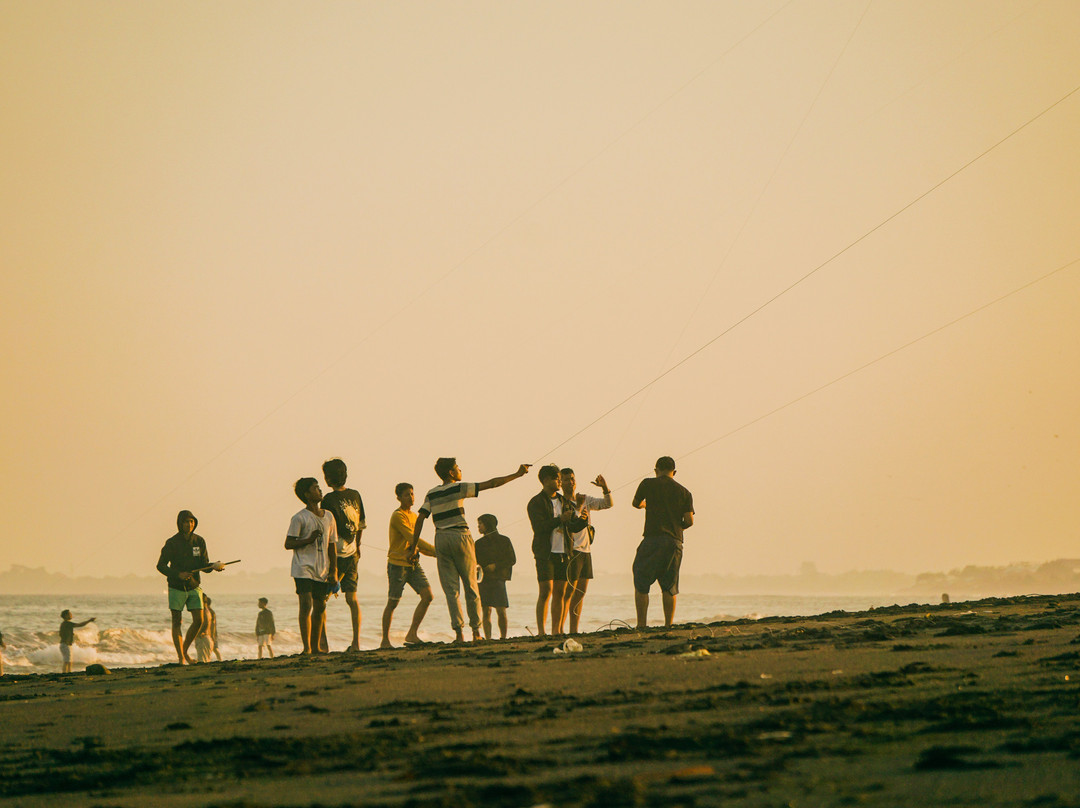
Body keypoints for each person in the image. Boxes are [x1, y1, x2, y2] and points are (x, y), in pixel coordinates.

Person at [410, 458, 530, 643]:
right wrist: (517, 474)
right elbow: (492, 484)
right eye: (457, 468)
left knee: (451, 590)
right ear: (451, 473)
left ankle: (458, 634)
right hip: (460, 536)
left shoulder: (431, 493)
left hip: (441, 537)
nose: (460, 470)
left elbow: (420, 519)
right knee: (471, 586)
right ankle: (476, 632)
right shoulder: (459, 488)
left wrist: (413, 546)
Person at [631, 456, 694, 628]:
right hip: (674, 541)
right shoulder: (685, 492)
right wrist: (676, 527)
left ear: (656, 470)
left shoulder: (647, 484)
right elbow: (689, 521)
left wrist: (645, 506)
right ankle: (668, 625)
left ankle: (641, 625)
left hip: (652, 538)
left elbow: (635, 503)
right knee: (669, 585)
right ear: (674, 472)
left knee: (641, 580)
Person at [156, 510, 225, 665]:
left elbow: (203, 566)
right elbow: (160, 566)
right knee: (177, 622)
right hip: (176, 587)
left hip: (194, 586)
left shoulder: (199, 541)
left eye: (192, 522)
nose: (189, 524)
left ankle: (185, 651)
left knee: (199, 620)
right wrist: (177, 574)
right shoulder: (172, 543)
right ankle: (181, 658)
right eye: (186, 522)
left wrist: (213, 566)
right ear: (180, 523)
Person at [286, 477, 338, 654]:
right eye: (315, 488)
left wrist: (334, 570)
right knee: (306, 604)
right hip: (303, 567)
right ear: (307, 494)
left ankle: (316, 646)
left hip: (322, 568)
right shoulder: (299, 518)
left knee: (320, 606)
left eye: (319, 487)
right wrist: (308, 539)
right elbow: (288, 543)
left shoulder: (329, 516)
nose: (320, 490)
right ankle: (307, 647)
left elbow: (332, 545)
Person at [382, 482, 436, 648]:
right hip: (397, 565)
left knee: (428, 596)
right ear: (398, 497)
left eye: (412, 494)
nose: (411, 497)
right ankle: (385, 640)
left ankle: (412, 633)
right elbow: (413, 538)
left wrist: (436, 553)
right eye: (406, 494)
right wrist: (438, 550)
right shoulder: (398, 516)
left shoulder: (414, 516)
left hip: (413, 564)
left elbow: (417, 546)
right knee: (393, 602)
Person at [558, 468, 612, 634]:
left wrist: (604, 487)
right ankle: (559, 628)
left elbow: (607, 504)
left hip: (586, 550)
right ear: (560, 483)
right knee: (568, 593)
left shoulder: (585, 498)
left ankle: (574, 629)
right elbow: (571, 524)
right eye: (566, 479)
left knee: (580, 593)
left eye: (572, 479)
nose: (570, 482)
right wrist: (580, 507)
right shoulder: (560, 502)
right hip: (571, 550)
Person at [321, 458, 366, 651]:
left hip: (336, 555)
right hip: (353, 551)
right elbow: (361, 523)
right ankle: (356, 643)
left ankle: (322, 643)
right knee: (352, 599)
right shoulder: (355, 494)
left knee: (322, 599)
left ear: (329, 477)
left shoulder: (328, 500)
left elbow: (328, 530)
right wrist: (358, 544)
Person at [526, 464, 572, 636]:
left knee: (560, 591)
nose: (560, 481)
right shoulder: (535, 502)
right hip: (545, 551)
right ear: (545, 480)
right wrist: (560, 519)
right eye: (556, 478)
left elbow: (571, 525)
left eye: (560, 478)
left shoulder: (564, 501)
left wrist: (579, 518)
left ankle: (557, 630)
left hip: (563, 550)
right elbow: (538, 527)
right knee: (546, 590)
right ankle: (541, 631)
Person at [474, 514, 516, 640]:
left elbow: (512, 559)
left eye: (480, 523)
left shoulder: (504, 540)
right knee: (486, 610)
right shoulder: (478, 543)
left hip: (498, 579)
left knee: (501, 610)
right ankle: (488, 638)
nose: (478, 526)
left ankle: (503, 637)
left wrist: (495, 566)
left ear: (487, 525)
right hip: (484, 580)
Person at [195, 595, 217, 663]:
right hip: (207, 638)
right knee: (206, 661)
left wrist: (200, 632)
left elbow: (206, 622)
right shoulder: (209, 611)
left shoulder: (204, 611)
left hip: (203, 638)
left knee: (201, 662)